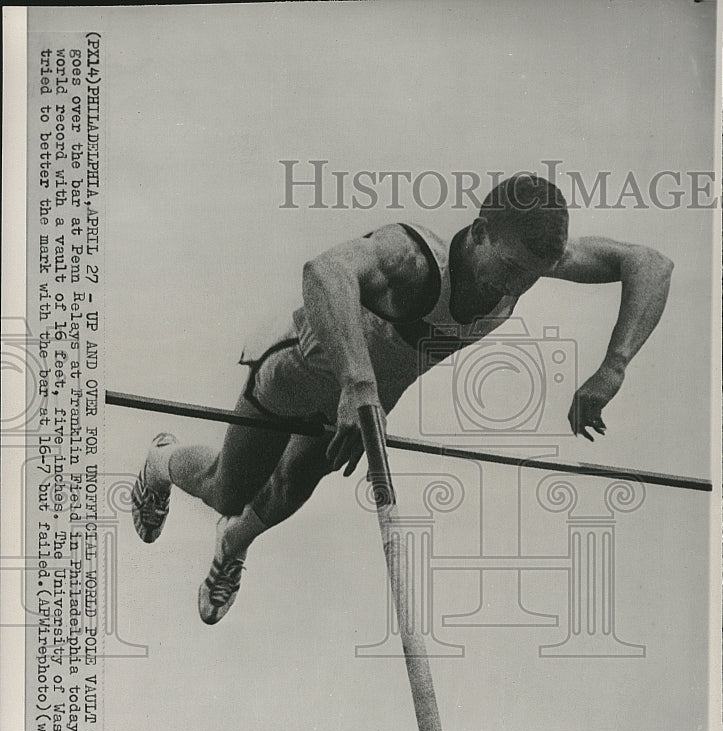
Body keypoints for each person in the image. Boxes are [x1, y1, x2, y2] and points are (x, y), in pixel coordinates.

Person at [130, 174, 673, 624]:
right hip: (300, 367)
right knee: (227, 489)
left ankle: (232, 544)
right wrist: (357, 385)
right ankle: (161, 460)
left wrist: (613, 367)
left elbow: (650, 264)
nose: (517, 284)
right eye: (510, 269)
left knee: (293, 486)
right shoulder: (413, 259)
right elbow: (324, 272)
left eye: (533, 276)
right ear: (481, 233)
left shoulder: (529, 258)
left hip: (362, 398)